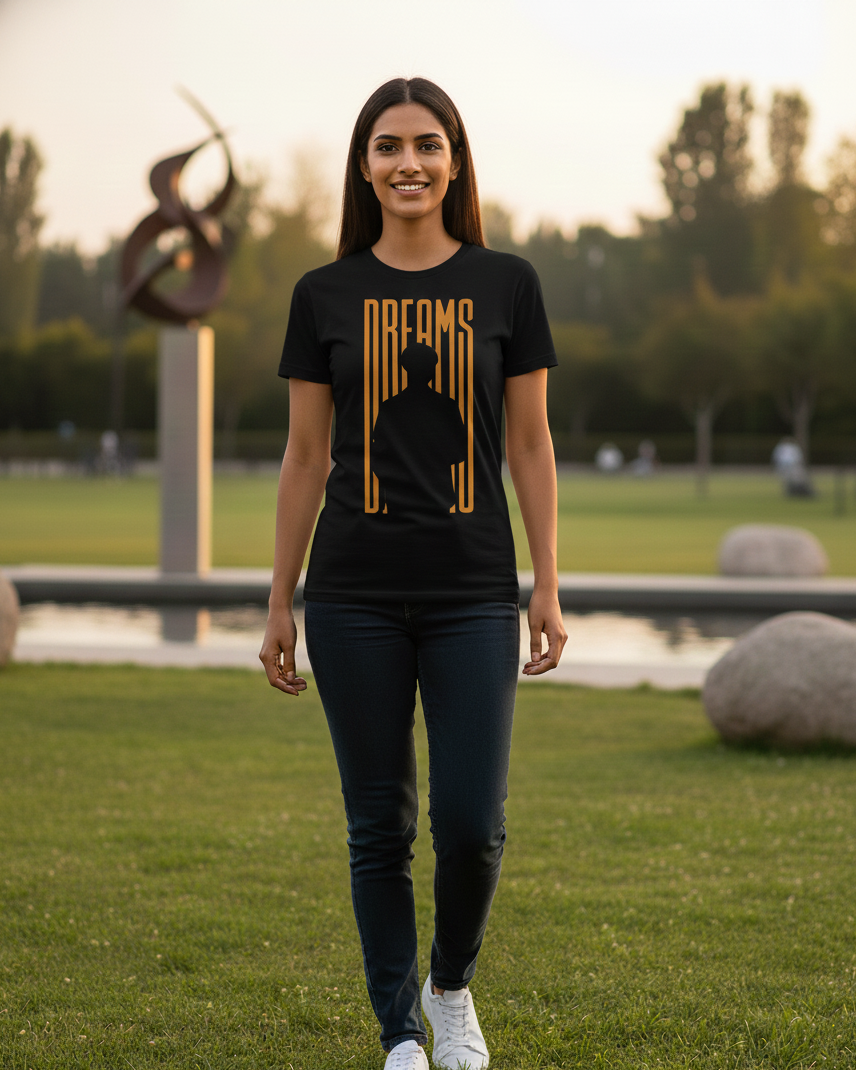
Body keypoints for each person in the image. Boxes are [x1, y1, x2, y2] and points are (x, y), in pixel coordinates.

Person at [259, 76, 567, 1070]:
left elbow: (529, 444)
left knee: (472, 822)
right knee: (376, 822)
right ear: (364, 165)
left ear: (454, 161)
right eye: (388, 146)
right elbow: (306, 456)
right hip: (350, 593)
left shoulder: (506, 282)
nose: (408, 163)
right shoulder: (324, 295)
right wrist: (279, 597)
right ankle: (399, 1031)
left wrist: (547, 583)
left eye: (427, 144)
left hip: (474, 590)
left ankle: (449, 987)